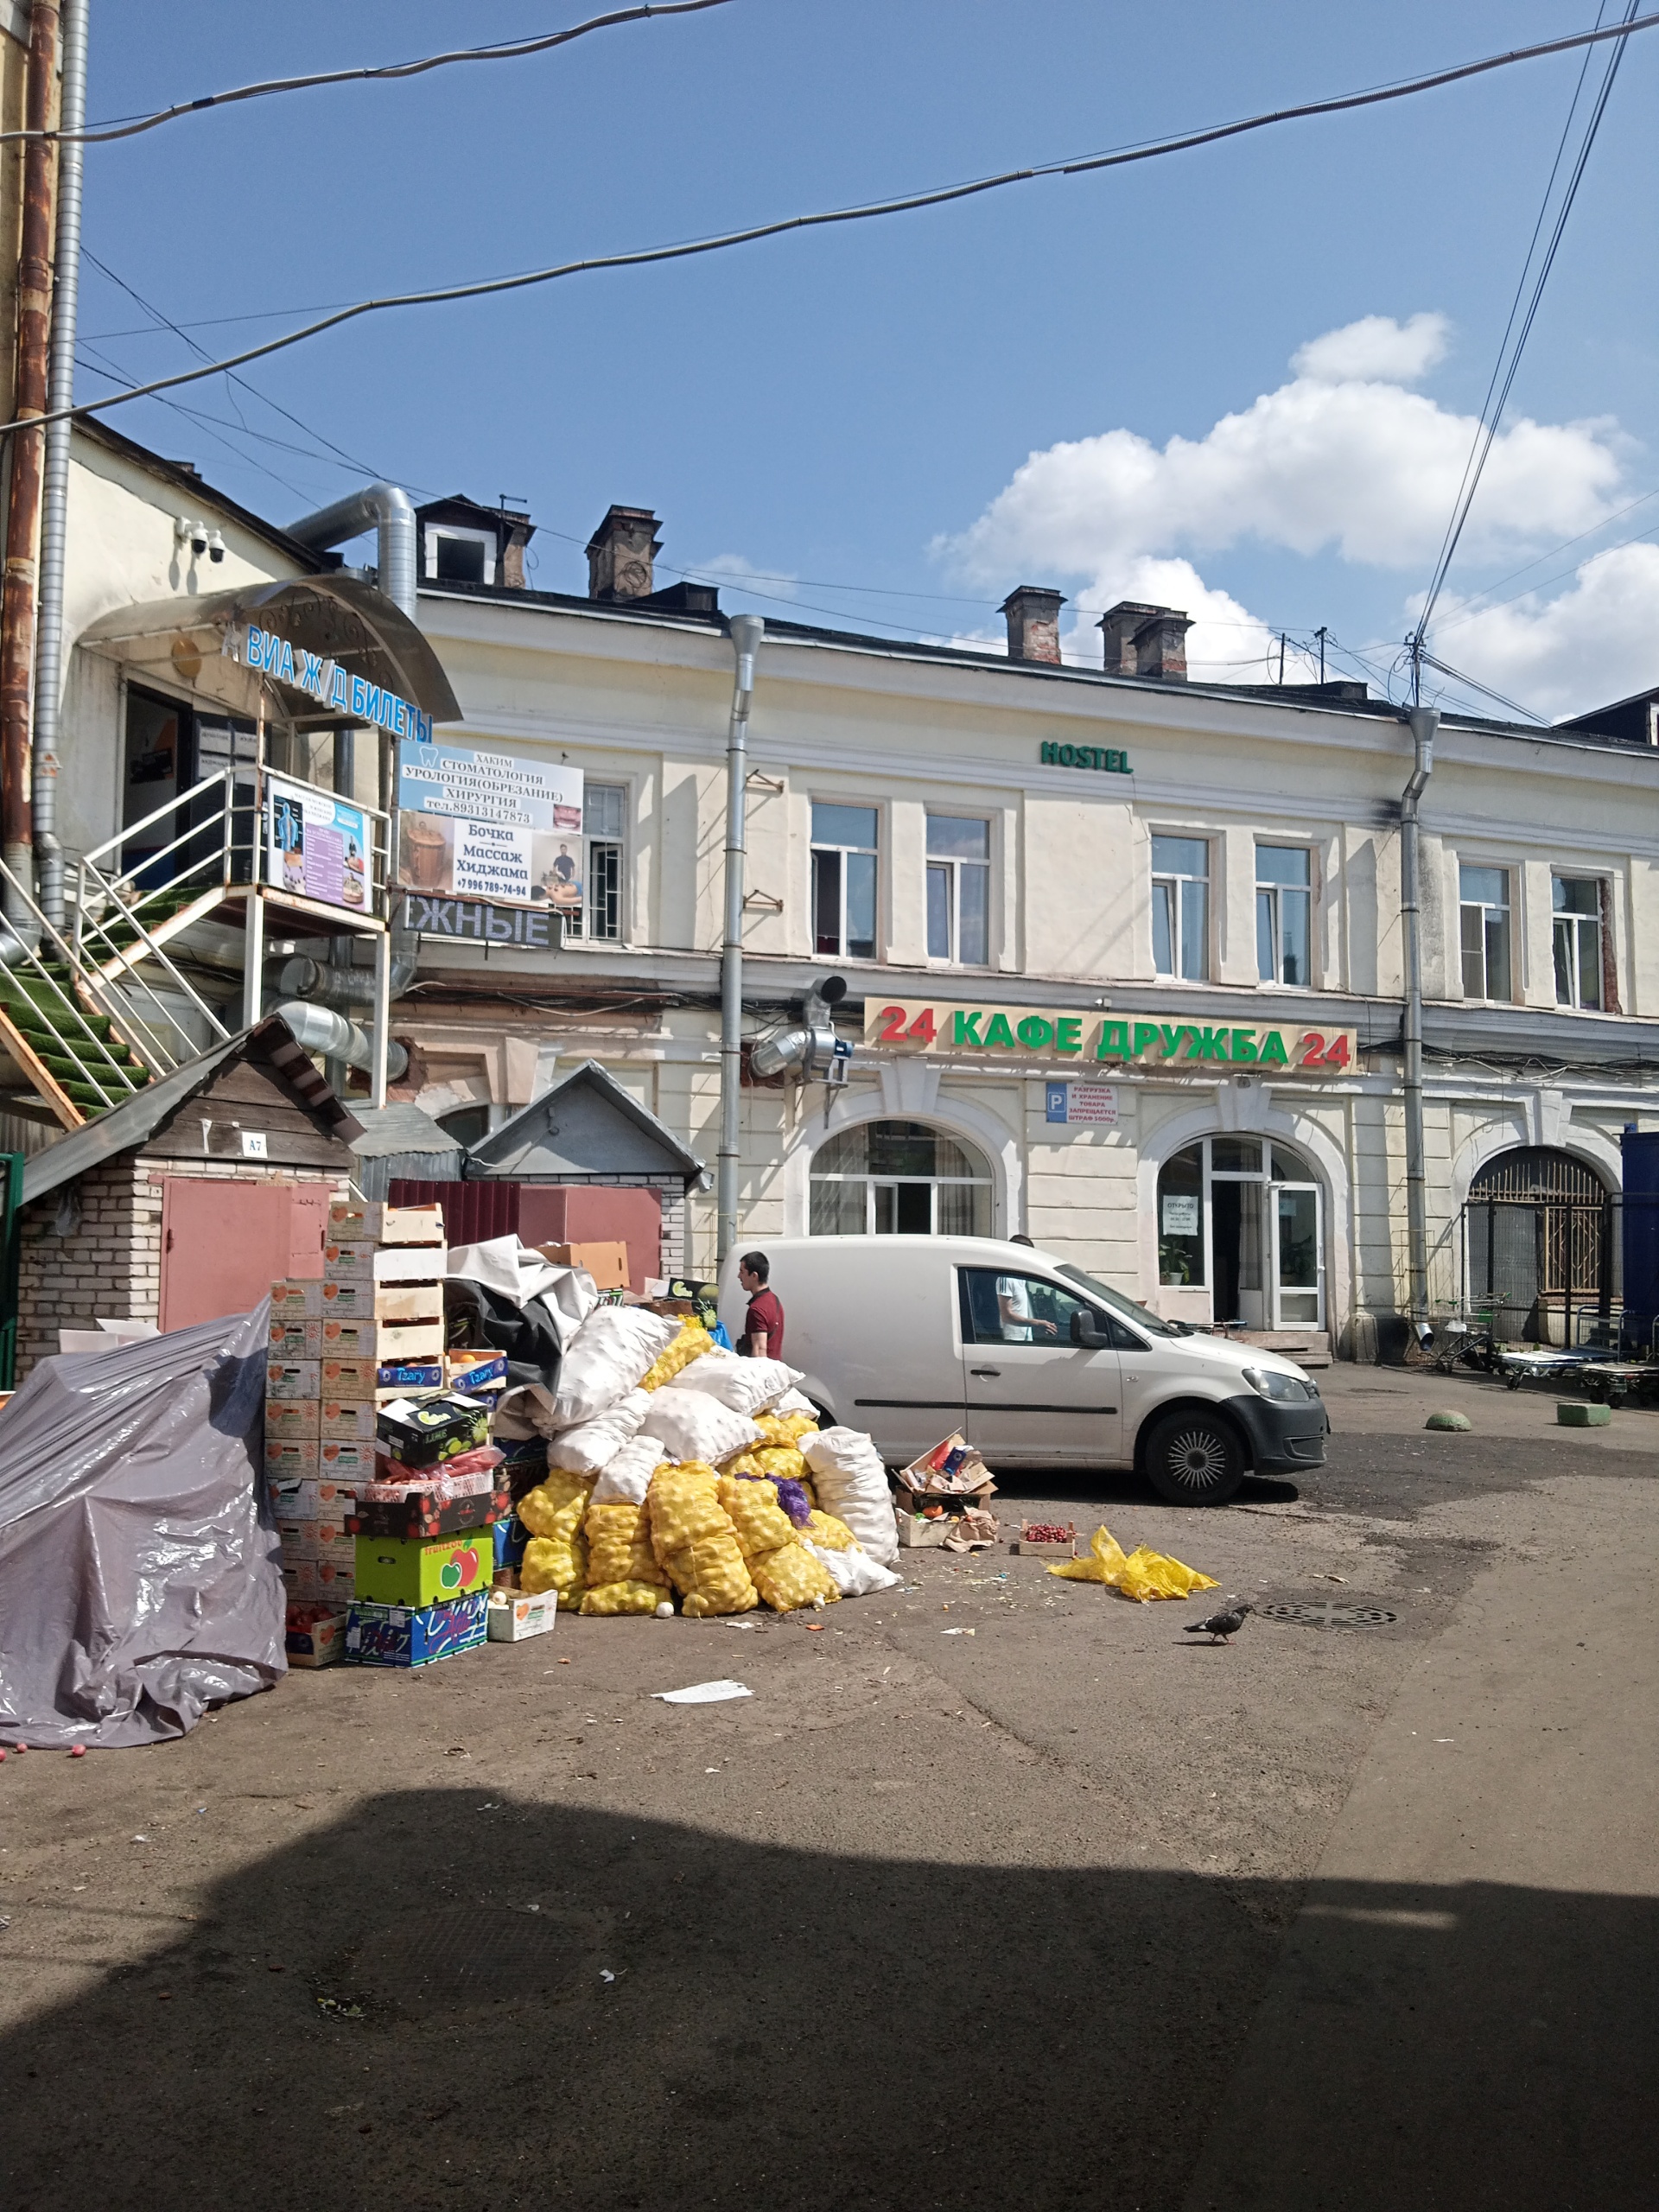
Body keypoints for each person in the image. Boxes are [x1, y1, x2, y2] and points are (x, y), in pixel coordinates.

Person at [737, 1251, 784, 1360]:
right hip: (775, 1371)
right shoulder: (774, 1300)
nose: (739, 1276)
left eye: (742, 1272)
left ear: (754, 1276)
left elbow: (759, 1351)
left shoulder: (757, 1309)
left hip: (763, 1373)